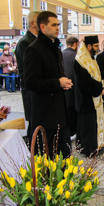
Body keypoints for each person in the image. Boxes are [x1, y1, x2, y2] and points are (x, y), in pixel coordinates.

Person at [23, 11, 72, 158]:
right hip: (45, 115)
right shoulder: (33, 49)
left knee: (62, 156)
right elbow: (30, 82)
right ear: (43, 27)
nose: (58, 28)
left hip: (59, 111)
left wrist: (63, 83)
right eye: (54, 25)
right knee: (48, 157)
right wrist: (58, 82)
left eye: (58, 25)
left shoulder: (55, 49)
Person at [74, 36, 104, 157]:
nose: (98, 48)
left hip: (92, 99)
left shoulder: (91, 58)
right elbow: (84, 82)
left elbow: (96, 76)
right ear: (88, 46)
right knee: (87, 126)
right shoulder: (81, 60)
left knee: (92, 125)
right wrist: (100, 89)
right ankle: (89, 149)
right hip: (86, 100)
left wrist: (102, 86)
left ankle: (94, 146)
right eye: (96, 46)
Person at [16, 10, 41, 138]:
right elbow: (27, 70)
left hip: (39, 90)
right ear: (32, 23)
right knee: (34, 124)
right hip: (32, 90)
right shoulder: (26, 42)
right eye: (40, 21)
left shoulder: (38, 40)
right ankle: (33, 153)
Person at [62, 36, 79, 137]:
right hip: (74, 88)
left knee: (66, 111)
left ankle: (67, 132)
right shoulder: (76, 55)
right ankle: (73, 131)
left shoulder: (61, 54)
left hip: (63, 87)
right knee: (74, 112)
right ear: (75, 44)